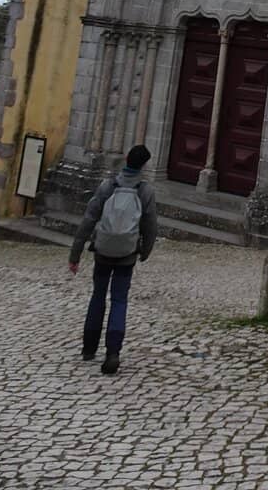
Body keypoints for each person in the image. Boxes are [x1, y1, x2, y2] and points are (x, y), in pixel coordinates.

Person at [68, 144, 157, 375]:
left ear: (126, 158)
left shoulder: (108, 185)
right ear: (144, 165)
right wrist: (145, 251)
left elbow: (89, 219)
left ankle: (89, 348)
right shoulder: (145, 191)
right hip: (127, 253)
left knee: (98, 296)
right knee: (119, 300)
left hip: (103, 249)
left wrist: (75, 254)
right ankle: (113, 352)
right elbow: (150, 226)